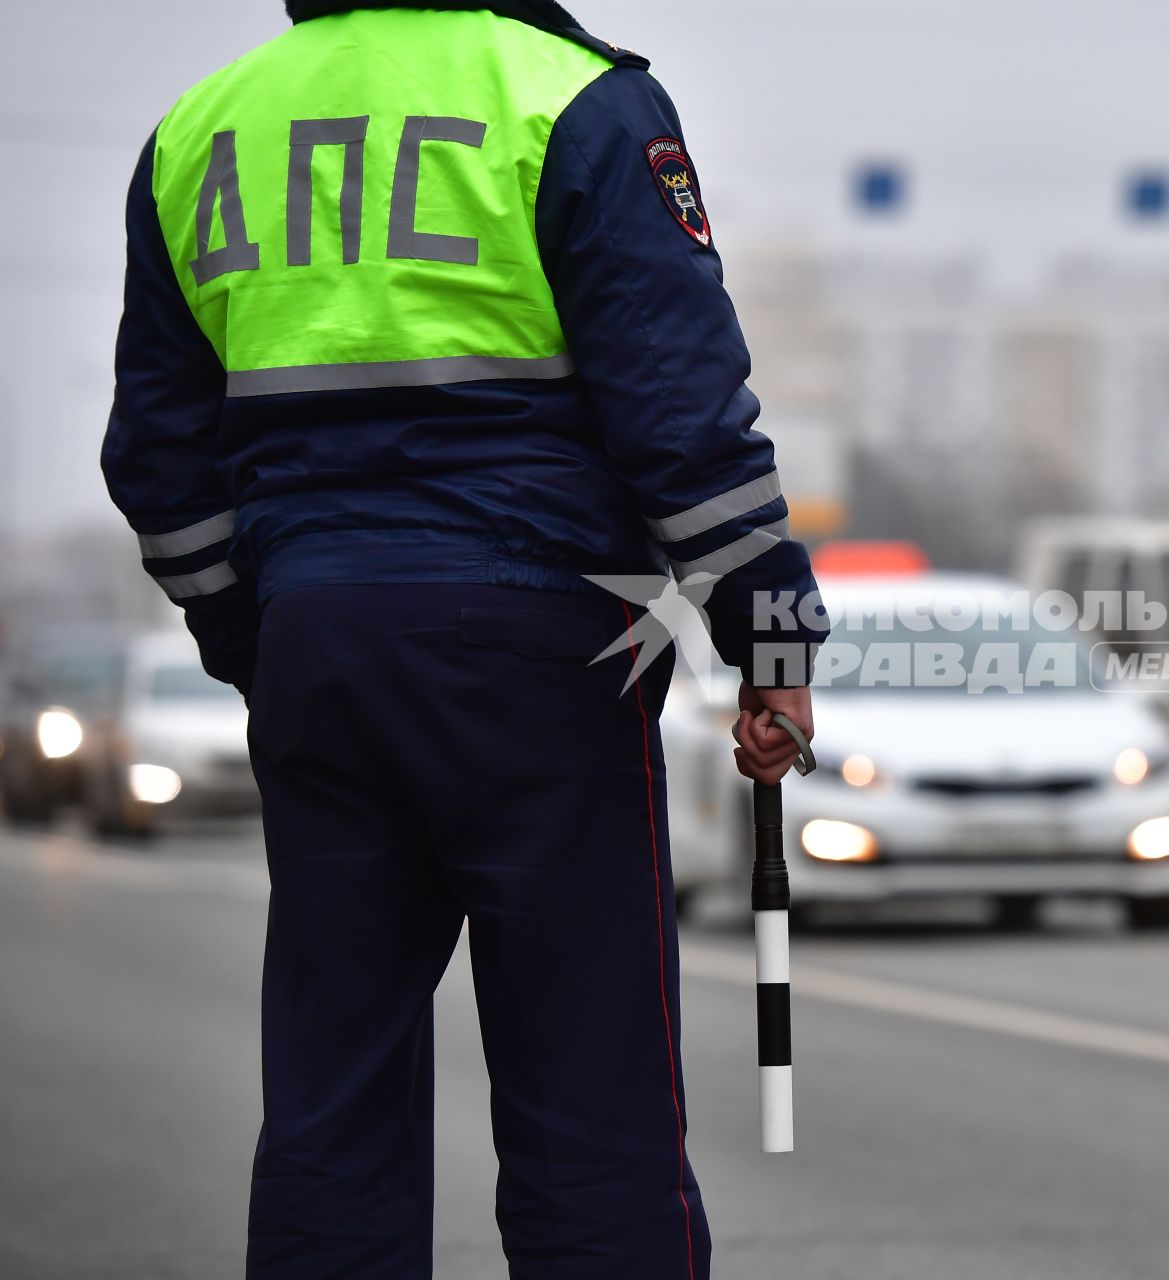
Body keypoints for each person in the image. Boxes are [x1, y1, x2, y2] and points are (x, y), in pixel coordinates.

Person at [100, 3, 826, 1276]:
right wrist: (768, 641)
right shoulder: (573, 99)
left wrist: (258, 640)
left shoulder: (203, 131)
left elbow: (160, 466)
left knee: (334, 1102)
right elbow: (683, 420)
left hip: (319, 644)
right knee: (590, 1103)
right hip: (545, 649)